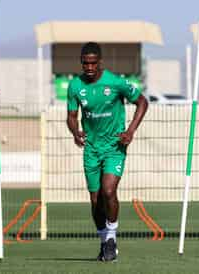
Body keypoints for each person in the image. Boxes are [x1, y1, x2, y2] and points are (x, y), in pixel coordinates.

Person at [66, 42, 148, 262]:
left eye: (93, 62)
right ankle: (104, 242)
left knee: (108, 191)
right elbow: (72, 117)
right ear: (81, 62)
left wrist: (130, 131)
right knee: (95, 200)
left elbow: (142, 102)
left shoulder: (115, 82)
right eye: (86, 63)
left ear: (100, 62)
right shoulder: (75, 86)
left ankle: (111, 236)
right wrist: (75, 132)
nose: (89, 67)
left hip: (114, 147)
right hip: (91, 149)